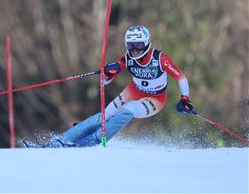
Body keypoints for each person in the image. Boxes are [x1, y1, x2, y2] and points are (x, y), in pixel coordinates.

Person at [38, 25, 194, 148]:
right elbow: (105, 81)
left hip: (155, 99)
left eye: (138, 45)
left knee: (129, 109)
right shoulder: (127, 58)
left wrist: (185, 98)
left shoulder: (160, 59)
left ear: (147, 43)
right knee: (104, 116)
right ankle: (62, 140)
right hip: (134, 91)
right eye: (130, 45)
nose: (134, 50)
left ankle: (93, 140)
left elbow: (181, 77)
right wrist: (108, 73)